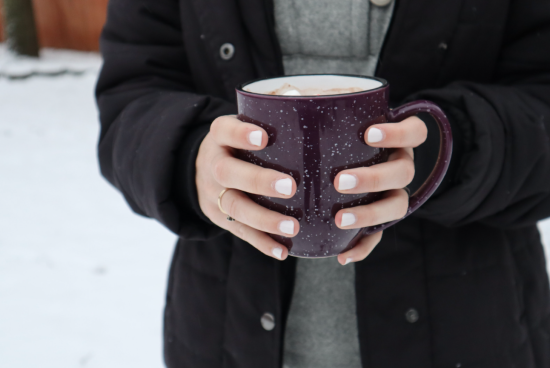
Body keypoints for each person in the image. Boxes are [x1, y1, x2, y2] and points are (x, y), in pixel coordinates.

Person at [95, 0, 550, 367]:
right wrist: (192, 160)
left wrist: (442, 154)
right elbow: (131, 93)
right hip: (224, 332)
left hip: (472, 330)